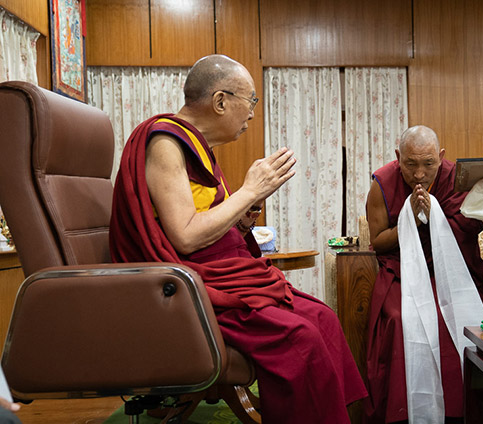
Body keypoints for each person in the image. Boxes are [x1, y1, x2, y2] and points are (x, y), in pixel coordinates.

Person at [108, 54, 367, 424]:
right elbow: (183, 237)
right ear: (220, 101)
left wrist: (242, 218)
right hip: (187, 289)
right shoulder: (165, 142)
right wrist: (247, 192)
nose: (251, 113)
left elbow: (204, 227)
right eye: (251, 101)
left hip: (212, 273)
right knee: (302, 337)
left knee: (323, 317)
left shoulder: (197, 147)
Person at [363, 125, 483, 424]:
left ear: (441, 157)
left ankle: (463, 410)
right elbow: (379, 240)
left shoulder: (457, 178)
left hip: (452, 268)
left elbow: (469, 228)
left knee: (466, 315)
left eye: (428, 164)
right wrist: (411, 219)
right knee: (400, 317)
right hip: (403, 272)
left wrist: (434, 217)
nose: (419, 174)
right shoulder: (382, 183)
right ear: (398, 158)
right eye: (410, 165)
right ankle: (403, 411)